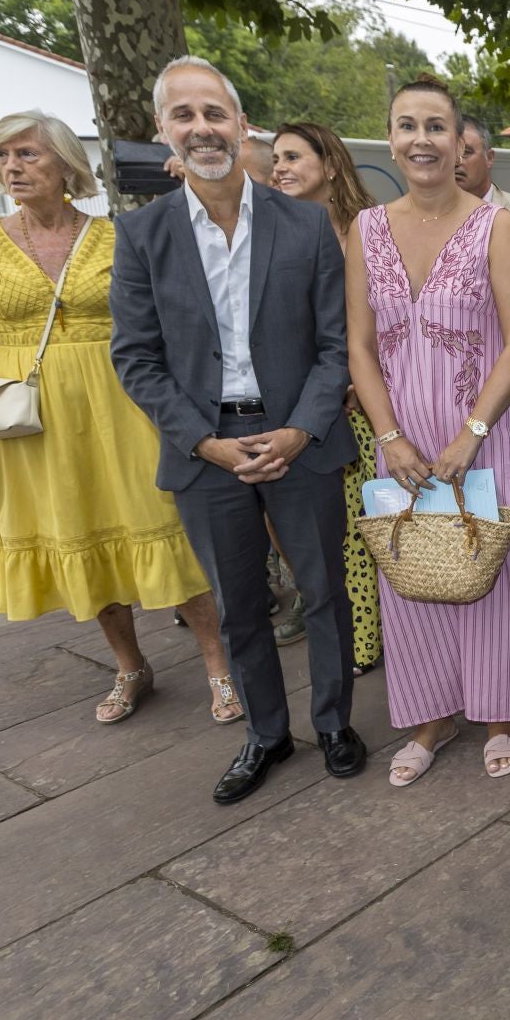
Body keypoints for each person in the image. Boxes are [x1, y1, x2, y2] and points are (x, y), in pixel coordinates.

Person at [0, 110, 240, 729]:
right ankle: (130, 665)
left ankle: (219, 664)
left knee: (168, 526)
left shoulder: (121, 236)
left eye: (28, 154)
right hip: (33, 421)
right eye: (3, 156)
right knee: (78, 531)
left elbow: (183, 323)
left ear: (65, 164)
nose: (12, 167)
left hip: (128, 405)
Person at [112, 56, 365, 804]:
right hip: (206, 450)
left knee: (324, 593)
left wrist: (300, 431)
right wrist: (203, 441)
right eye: (183, 115)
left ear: (241, 124)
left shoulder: (306, 223)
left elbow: (336, 345)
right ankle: (266, 735)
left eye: (214, 113)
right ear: (162, 129)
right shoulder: (142, 234)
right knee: (240, 605)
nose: (202, 128)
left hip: (300, 441)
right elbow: (135, 357)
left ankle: (336, 723)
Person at [346, 75, 510, 785]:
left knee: (493, 574)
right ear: (391, 139)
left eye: (436, 126)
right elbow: (359, 345)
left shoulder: (497, 226)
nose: (422, 139)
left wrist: (472, 433)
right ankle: (431, 715)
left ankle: (501, 712)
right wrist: (389, 437)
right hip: (401, 441)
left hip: (486, 436)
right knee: (414, 572)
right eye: (408, 125)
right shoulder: (366, 229)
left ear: (460, 142)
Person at [269, 120, 384, 675]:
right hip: (302, 408)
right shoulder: (272, 233)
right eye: (276, 159)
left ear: (331, 165)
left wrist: (364, 381)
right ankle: (359, 638)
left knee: (374, 526)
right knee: (333, 537)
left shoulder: (370, 229)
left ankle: (385, 638)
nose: (280, 168)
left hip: (369, 405)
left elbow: (396, 314)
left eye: (293, 157)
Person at [456, 113, 510, 230]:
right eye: (450, 153)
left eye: (466, 152)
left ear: (489, 158)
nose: (456, 161)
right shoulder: (430, 216)